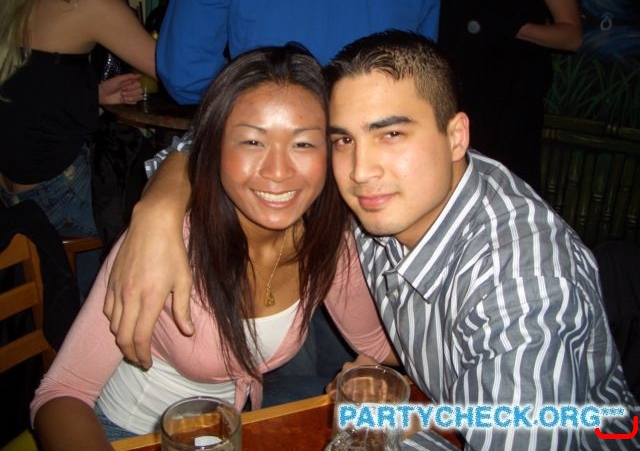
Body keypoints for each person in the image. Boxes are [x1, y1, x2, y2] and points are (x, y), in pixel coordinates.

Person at [105, 31, 640, 449]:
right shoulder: (393, 192)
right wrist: (158, 209)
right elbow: (215, 140)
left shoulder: (521, 286)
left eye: (392, 134)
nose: (362, 170)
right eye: (343, 139)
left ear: (456, 136)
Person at [30, 45, 394, 450]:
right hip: (129, 436)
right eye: (252, 142)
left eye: (303, 144)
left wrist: (382, 371)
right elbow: (62, 394)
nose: (278, 172)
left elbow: (380, 346)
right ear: (214, 148)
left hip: (232, 426)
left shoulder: (327, 243)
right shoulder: (169, 241)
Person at [0, 0, 156, 295]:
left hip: (13, 192)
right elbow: (176, 70)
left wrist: (94, 94)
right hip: (59, 193)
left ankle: (85, 305)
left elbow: (24, 90)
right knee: (170, 194)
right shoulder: (83, 2)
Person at [157, 0, 441, 105]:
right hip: (372, 147)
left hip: (268, 140)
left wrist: (248, 103)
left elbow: (185, 72)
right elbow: (420, 76)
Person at [438, 0, 583, 191]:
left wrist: (516, 27)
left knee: (505, 187)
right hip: (462, 98)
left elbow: (572, 37)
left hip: (511, 103)